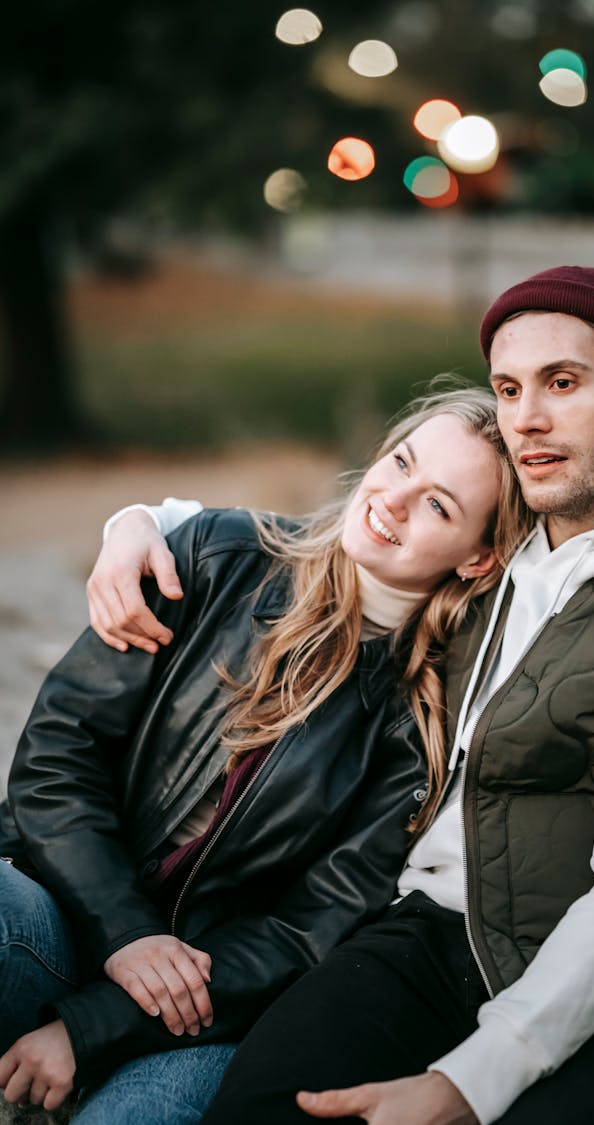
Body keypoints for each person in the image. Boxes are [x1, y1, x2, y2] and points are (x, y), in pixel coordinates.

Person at [94, 266, 594, 1125]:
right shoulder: (496, 548)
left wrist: (469, 1081)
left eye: (563, 382)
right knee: (264, 1104)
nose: (529, 418)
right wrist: (141, 519)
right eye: (510, 388)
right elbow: (333, 539)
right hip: (431, 933)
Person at [0, 385, 530, 1123]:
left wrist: (91, 1026)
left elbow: (305, 933)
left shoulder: (417, 730)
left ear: (480, 558)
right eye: (402, 462)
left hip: (198, 1015)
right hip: (66, 912)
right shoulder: (213, 555)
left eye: (440, 504)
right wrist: (127, 932)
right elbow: (57, 756)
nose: (395, 498)